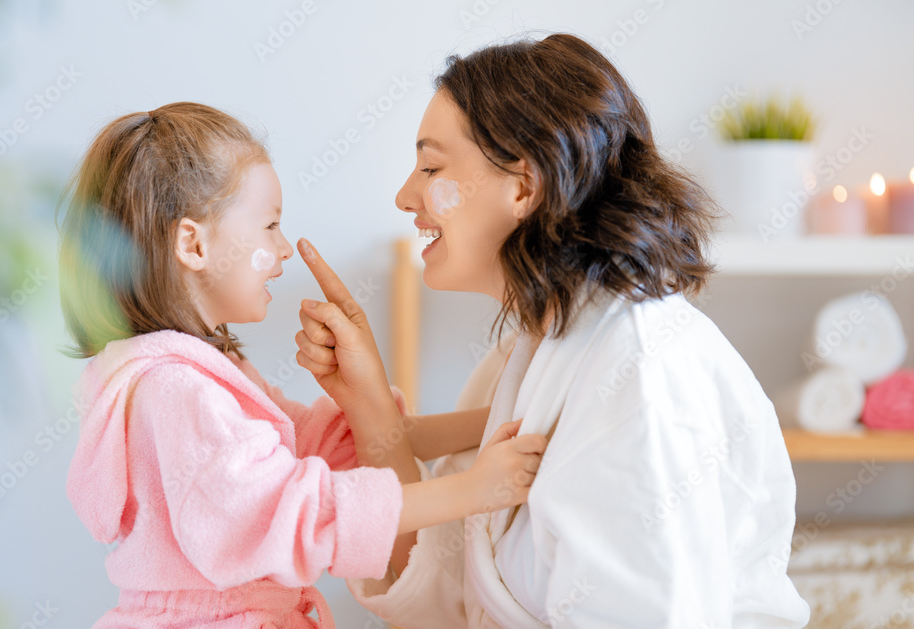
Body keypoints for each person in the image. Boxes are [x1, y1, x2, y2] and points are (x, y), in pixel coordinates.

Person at [293, 34, 811, 627]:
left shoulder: (641, 370)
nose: (405, 196)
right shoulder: (527, 354)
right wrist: (366, 399)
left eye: (432, 167)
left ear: (523, 185)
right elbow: (448, 598)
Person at [58, 101, 546, 628]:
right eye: (269, 226)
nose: (284, 248)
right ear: (193, 244)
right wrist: (473, 490)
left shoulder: (212, 375)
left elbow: (349, 445)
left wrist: (500, 417)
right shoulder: (175, 392)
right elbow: (295, 512)